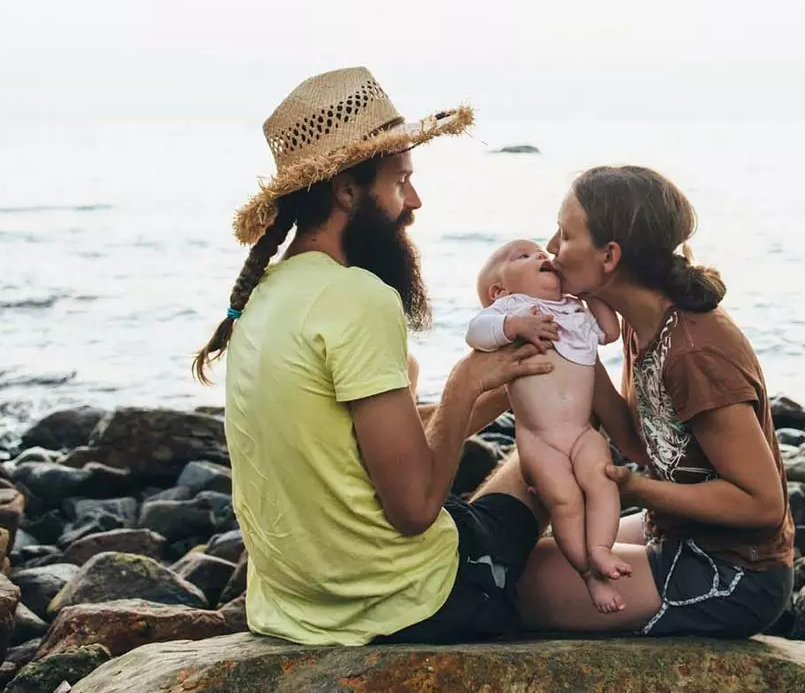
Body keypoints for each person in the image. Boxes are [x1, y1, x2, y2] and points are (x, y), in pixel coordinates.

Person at [191, 68, 555, 646]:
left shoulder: (269, 293)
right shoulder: (358, 298)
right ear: (346, 191)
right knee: (541, 468)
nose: (414, 201)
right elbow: (412, 510)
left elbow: (367, 446)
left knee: (483, 492)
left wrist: (505, 387)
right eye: (400, 181)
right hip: (403, 601)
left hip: (294, 604)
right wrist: (467, 380)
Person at [517, 165, 795, 636]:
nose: (551, 247)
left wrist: (635, 489)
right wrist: (577, 358)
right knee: (533, 550)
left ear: (609, 255)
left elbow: (762, 504)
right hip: (679, 531)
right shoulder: (642, 321)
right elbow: (650, 449)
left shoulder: (695, 353)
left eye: (565, 234)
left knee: (519, 580)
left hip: (738, 574)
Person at [466, 239, 626, 612]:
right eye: (523, 256)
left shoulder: (574, 310)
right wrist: (513, 325)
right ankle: (589, 574)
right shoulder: (509, 311)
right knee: (565, 501)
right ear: (498, 290)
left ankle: (601, 549)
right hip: (541, 439)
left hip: (582, 432)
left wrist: (593, 292)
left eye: (541, 253)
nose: (541, 255)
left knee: (603, 482)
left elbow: (610, 333)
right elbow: (476, 332)